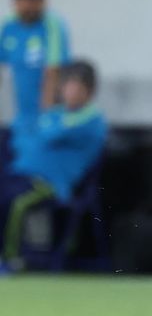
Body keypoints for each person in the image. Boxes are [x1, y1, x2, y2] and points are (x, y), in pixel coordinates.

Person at [0, 59, 107, 270]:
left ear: (90, 91)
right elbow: (26, 138)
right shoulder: (57, 115)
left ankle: (8, 260)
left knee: (14, 202)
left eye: (76, 87)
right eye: (67, 86)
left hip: (50, 184)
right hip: (21, 174)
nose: (70, 92)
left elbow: (49, 133)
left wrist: (45, 128)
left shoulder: (92, 120)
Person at [1, 0, 70, 158]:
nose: (30, 6)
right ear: (16, 1)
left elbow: (53, 72)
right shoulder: (9, 25)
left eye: (35, 1)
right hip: (22, 120)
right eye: (25, 1)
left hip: (49, 118)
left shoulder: (52, 25)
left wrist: (46, 120)